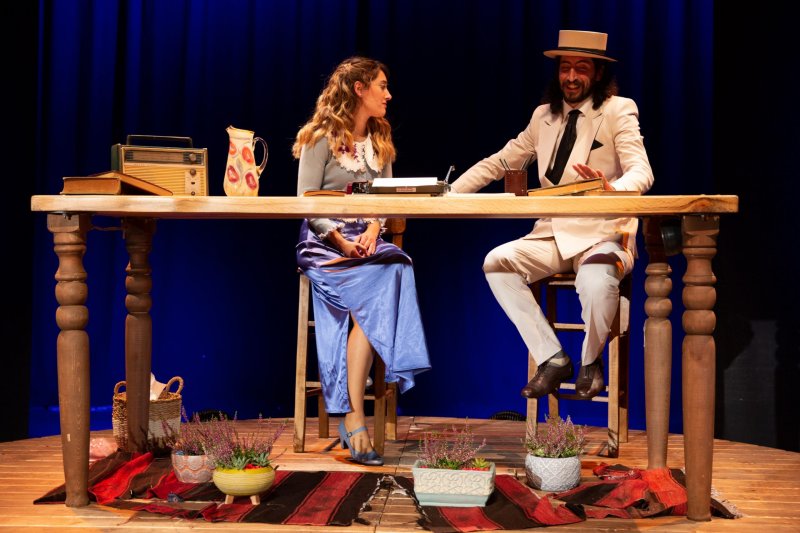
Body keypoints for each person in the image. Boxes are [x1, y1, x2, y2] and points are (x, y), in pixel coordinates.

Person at [450, 30, 654, 400]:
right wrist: (450, 194)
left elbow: (642, 171)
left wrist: (612, 189)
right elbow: (500, 161)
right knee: (497, 263)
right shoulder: (544, 116)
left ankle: (590, 361)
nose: (571, 77)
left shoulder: (618, 110)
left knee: (596, 281)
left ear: (598, 73)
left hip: (603, 234)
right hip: (553, 234)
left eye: (581, 68)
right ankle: (553, 357)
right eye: (565, 68)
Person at [293, 56, 431, 466]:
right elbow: (306, 203)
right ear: (359, 89)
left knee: (397, 265)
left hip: (365, 242)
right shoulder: (319, 138)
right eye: (382, 86)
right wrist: (340, 241)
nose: (388, 95)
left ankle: (352, 414)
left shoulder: (379, 140)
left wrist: (373, 230)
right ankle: (354, 417)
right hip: (325, 243)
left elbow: (384, 200)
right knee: (379, 292)